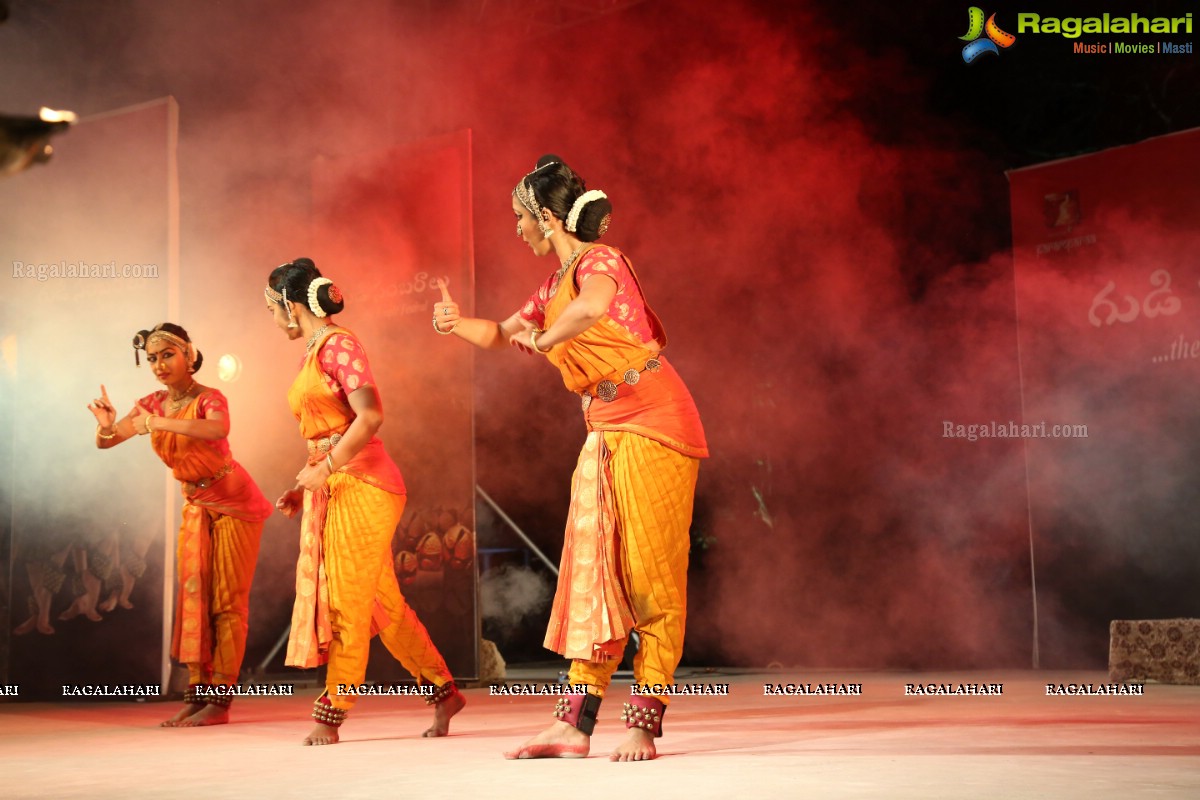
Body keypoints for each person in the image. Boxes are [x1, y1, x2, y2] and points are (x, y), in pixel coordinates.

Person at [433, 155, 708, 761]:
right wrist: (457, 325)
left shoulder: (598, 263)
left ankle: (643, 721)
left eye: (520, 219)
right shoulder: (551, 289)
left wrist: (547, 338)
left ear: (548, 217)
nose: (517, 230)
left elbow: (591, 310)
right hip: (605, 428)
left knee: (648, 577)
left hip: (655, 421)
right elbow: (501, 334)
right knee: (594, 574)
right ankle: (574, 724)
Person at [265, 258, 464, 746]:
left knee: (349, 602)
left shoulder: (340, 345)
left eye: (271, 308)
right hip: (337, 483)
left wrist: (326, 468)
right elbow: (324, 432)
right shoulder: (314, 352)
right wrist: (304, 482)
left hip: (366, 484)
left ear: (292, 307)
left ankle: (332, 710)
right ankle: (443, 691)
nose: (271, 319)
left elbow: (370, 416)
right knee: (385, 606)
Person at [87, 323, 272, 727]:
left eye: (167, 355)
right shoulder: (151, 402)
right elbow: (107, 441)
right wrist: (106, 424)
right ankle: (198, 693)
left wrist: (158, 424)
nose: (159, 365)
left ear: (189, 355)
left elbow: (217, 429)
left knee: (227, 604)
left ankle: (220, 702)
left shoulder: (209, 397)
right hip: (196, 504)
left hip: (235, 503)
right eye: (152, 358)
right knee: (195, 601)